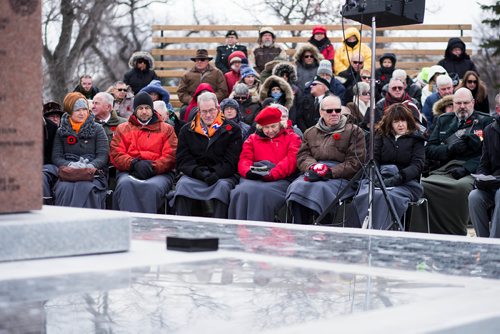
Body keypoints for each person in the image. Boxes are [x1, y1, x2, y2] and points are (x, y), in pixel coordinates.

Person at [417, 88, 493, 235]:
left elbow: (488, 153)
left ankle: (455, 231)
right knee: (422, 186)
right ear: (453, 103)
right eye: (459, 103)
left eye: (466, 102)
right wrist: (449, 149)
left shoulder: (485, 121)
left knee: (460, 188)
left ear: (473, 103)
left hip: (470, 171)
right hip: (444, 169)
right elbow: (429, 149)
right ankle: (425, 230)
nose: (462, 106)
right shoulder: (444, 120)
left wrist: (467, 168)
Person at [286, 95, 366, 224]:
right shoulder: (310, 132)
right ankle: (300, 227)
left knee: (321, 189)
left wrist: (330, 172)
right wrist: (313, 167)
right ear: (321, 112)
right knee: (297, 187)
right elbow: (302, 156)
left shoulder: (354, 132)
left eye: (337, 110)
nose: (334, 114)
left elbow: (355, 162)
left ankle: (323, 230)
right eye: (329, 111)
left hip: (340, 177)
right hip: (313, 172)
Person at [350, 103, 425, 229]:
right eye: (396, 121)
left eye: (403, 121)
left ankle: (383, 230)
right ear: (390, 123)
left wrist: (397, 178)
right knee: (366, 195)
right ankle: (364, 230)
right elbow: (373, 159)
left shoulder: (417, 139)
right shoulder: (380, 136)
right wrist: (376, 178)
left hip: (405, 182)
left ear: (408, 121)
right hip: (379, 178)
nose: (400, 125)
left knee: (386, 197)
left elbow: (417, 166)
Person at [173, 92, 242, 218]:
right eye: (204, 111)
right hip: (195, 174)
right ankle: (182, 227)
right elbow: (183, 159)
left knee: (222, 188)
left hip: (222, 176)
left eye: (211, 110)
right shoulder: (187, 130)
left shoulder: (232, 130)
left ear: (218, 108)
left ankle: (219, 228)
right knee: (183, 186)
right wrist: (197, 171)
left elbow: (232, 160)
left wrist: (216, 173)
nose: (208, 115)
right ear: (199, 110)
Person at [228, 106, 301, 222]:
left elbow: (291, 161)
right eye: (266, 127)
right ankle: (238, 229)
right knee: (239, 192)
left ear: (280, 123)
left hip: (279, 179)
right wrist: (248, 172)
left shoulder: (292, 138)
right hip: (254, 176)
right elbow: (244, 159)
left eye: (273, 126)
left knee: (261, 194)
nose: (270, 130)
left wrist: (271, 174)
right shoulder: (252, 139)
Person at [110, 92, 178, 214]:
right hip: (130, 170)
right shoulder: (123, 128)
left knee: (152, 188)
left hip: (159, 173)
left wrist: (152, 167)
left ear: (152, 110)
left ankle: (148, 227)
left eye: (147, 108)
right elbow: (116, 153)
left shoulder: (167, 129)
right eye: (140, 108)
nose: (144, 111)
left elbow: (170, 155)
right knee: (125, 185)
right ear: (135, 110)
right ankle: (127, 224)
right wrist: (133, 164)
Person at [51, 92, 109, 208]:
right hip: (69, 173)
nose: (82, 113)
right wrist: (70, 164)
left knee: (85, 188)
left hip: (92, 173)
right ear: (69, 111)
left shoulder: (97, 129)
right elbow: (56, 157)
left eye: (84, 109)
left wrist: (90, 166)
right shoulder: (61, 131)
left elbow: (103, 155)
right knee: (64, 189)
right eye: (77, 110)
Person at [468, 92, 500, 238]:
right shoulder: (490, 130)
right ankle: (483, 241)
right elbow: (484, 162)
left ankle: (494, 243)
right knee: (474, 196)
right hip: (493, 182)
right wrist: (480, 178)